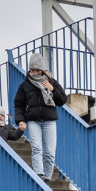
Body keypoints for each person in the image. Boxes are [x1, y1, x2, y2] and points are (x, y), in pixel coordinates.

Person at [13, 53, 67, 181]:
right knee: (36, 148)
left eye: (37, 70)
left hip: (49, 121)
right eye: (32, 70)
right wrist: (20, 120)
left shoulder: (51, 82)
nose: (35, 73)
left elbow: (62, 101)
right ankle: (38, 174)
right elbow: (18, 104)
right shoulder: (25, 85)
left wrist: (52, 89)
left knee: (49, 153)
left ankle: (47, 179)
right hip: (33, 121)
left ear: (42, 70)